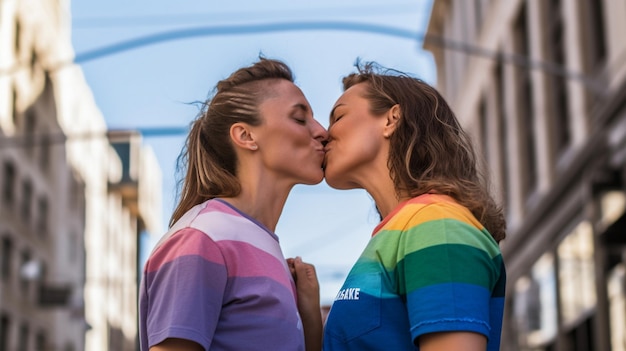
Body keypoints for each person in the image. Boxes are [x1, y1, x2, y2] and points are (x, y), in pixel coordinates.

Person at [138, 57, 325, 351]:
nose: (322, 132)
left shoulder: (266, 248)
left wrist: (310, 316)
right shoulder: (202, 238)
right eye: (300, 119)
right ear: (246, 135)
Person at [320, 62, 507, 351]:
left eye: (339, 116)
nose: (324, 133)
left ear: (391, 119)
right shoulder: (404, 228)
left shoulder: (436, 224)